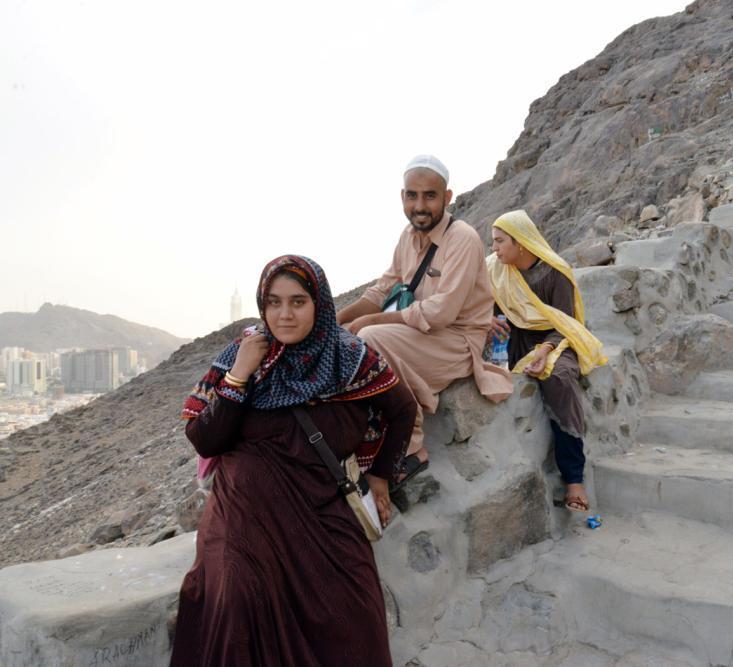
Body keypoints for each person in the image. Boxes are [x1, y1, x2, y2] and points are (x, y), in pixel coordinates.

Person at [172, 255, 417, 667]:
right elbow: (205, 438)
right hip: (243, 513)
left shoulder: (350, 357)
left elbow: (402, 410)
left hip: (321, 509)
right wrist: (240, 375)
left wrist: (380, 477)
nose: (284, 314)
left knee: (355, 612)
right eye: (273, 302)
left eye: (298, 302)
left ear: (318, 304)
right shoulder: (244, 353)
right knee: (237, 599)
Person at [337, 155, 512, 491]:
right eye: (412, 195)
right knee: (347, 339)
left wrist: (370, 321)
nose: (420, 205)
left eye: (429, 196)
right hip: (421, 335)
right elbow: (381, 289)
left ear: (447, 198)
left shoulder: (461, 238)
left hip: (457, 343)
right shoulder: (407, 236)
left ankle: (412, 447)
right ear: (402, 197)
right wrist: (335, 320)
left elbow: (441, 312)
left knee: (372, 336)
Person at [488, 210, 608, 512]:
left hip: (556, 339)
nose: (494, 248)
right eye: (493, 242)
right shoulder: (495, 270)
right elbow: (478, 304)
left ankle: (573, 478)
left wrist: (543, 352)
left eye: (500, 241)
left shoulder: (556, 272)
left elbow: (565, 322)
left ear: (522, 244)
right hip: (513, 340)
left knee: (559, 377)